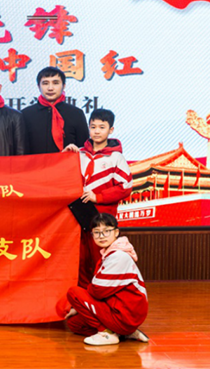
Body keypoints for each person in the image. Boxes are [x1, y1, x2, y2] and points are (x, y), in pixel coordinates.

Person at [63, 108, 133, 287]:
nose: (96, 131)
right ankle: (84, 295)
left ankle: (100, 292)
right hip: (79, 215)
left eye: (102, 127)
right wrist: (65, 156)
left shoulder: (116, 157)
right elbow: (64, 177)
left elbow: (125, 187)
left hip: (102, 216)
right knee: (80, 257)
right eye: (93, 127)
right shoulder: (79, 153)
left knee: (100, 256)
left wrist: (98, 197)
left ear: (111, 130)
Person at [65, 213, 149, 346]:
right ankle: (123, 333)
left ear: (116, 232)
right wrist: (81, 306)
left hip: (125, 315)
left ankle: (107, 333)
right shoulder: (109, 253)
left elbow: (98, 290)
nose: (101, 236)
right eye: (96, 232)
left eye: (106, 231)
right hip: (118, 309)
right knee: (74, 324)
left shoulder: (118, 256)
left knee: (74, 292)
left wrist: (81, 301)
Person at [22, 66, 88, 154]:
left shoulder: (76, 114)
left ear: (63, 86)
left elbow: (84, 148)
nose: (50, 88)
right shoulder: (25, 114)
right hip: (34, 163)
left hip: (67, 163)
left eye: (55, 83)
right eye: (45, 83)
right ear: (38, 86)